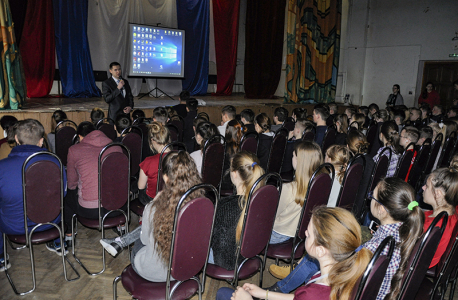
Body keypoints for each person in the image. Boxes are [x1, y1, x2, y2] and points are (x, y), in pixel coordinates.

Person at [267, 177, 424, 300]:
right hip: (375, 289)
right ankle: (289, 280)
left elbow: (353, 267)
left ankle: (284, 286)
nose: (369, 199)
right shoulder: (406, 229)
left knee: (322, 246)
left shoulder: (379, 246)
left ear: (382, 210)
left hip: (357, 290)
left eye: (372, 197)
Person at [219, 207, 372, 300]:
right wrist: (264, 294)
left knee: (223, 294)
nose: (305, 232)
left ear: (320, 250)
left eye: (309, 234)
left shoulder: (315, 294)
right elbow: (299, 298)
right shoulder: (345, 270)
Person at [99, 151, 203, 281]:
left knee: (142, 236)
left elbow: (145, 241)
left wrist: (154, 203)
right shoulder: (203, 203)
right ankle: (120, 241)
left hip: (156, 272)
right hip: (189, 268)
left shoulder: (154, 208)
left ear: (165, 177)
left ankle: (121, 241)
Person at [0, 119, 68, 270]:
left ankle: (1, 258)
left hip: (16, 227)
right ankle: (58, 242)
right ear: (41, 141)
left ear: (16, 139)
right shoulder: (56, 162)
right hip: (50, 222)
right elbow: (63, 195)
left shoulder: (2, 167)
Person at [63, 121, 122, 243]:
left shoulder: (74, 150)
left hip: (90, 211)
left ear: (79, 136)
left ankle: (69, 234)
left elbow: (71, 183)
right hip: (117, 207)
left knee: (66, 196)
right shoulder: (116, 147)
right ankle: (121, 226)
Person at [209, 152, 265, 270]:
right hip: (249, 257)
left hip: (224, 262)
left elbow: (212, 240)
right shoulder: (261, 202)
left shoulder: (225, 205)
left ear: (234, 174)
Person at [270, 141, 322, 244]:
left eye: (293, 155)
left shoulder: (288, 188)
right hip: (301, 234)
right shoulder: (320, 185)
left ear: (299, 161)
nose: (291, 158)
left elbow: (271, 215)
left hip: (278, 234)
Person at [422, 166, 458, 268]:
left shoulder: (434, 226)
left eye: (427, 186)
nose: (423, 188)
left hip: (418, 263)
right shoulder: (452, 214)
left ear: (437, 194)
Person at [137, 122, 171, 205]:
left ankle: (144, 216)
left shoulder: (148, 162)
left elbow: (140, 186)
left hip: (153, 199)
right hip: (174, 197)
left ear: (152, 140)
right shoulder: (180, 156)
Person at [221, 120, 247, 191]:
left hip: (227, 184)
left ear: (228, 131)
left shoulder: (223, 149)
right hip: (245, 179)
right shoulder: (246, 145)